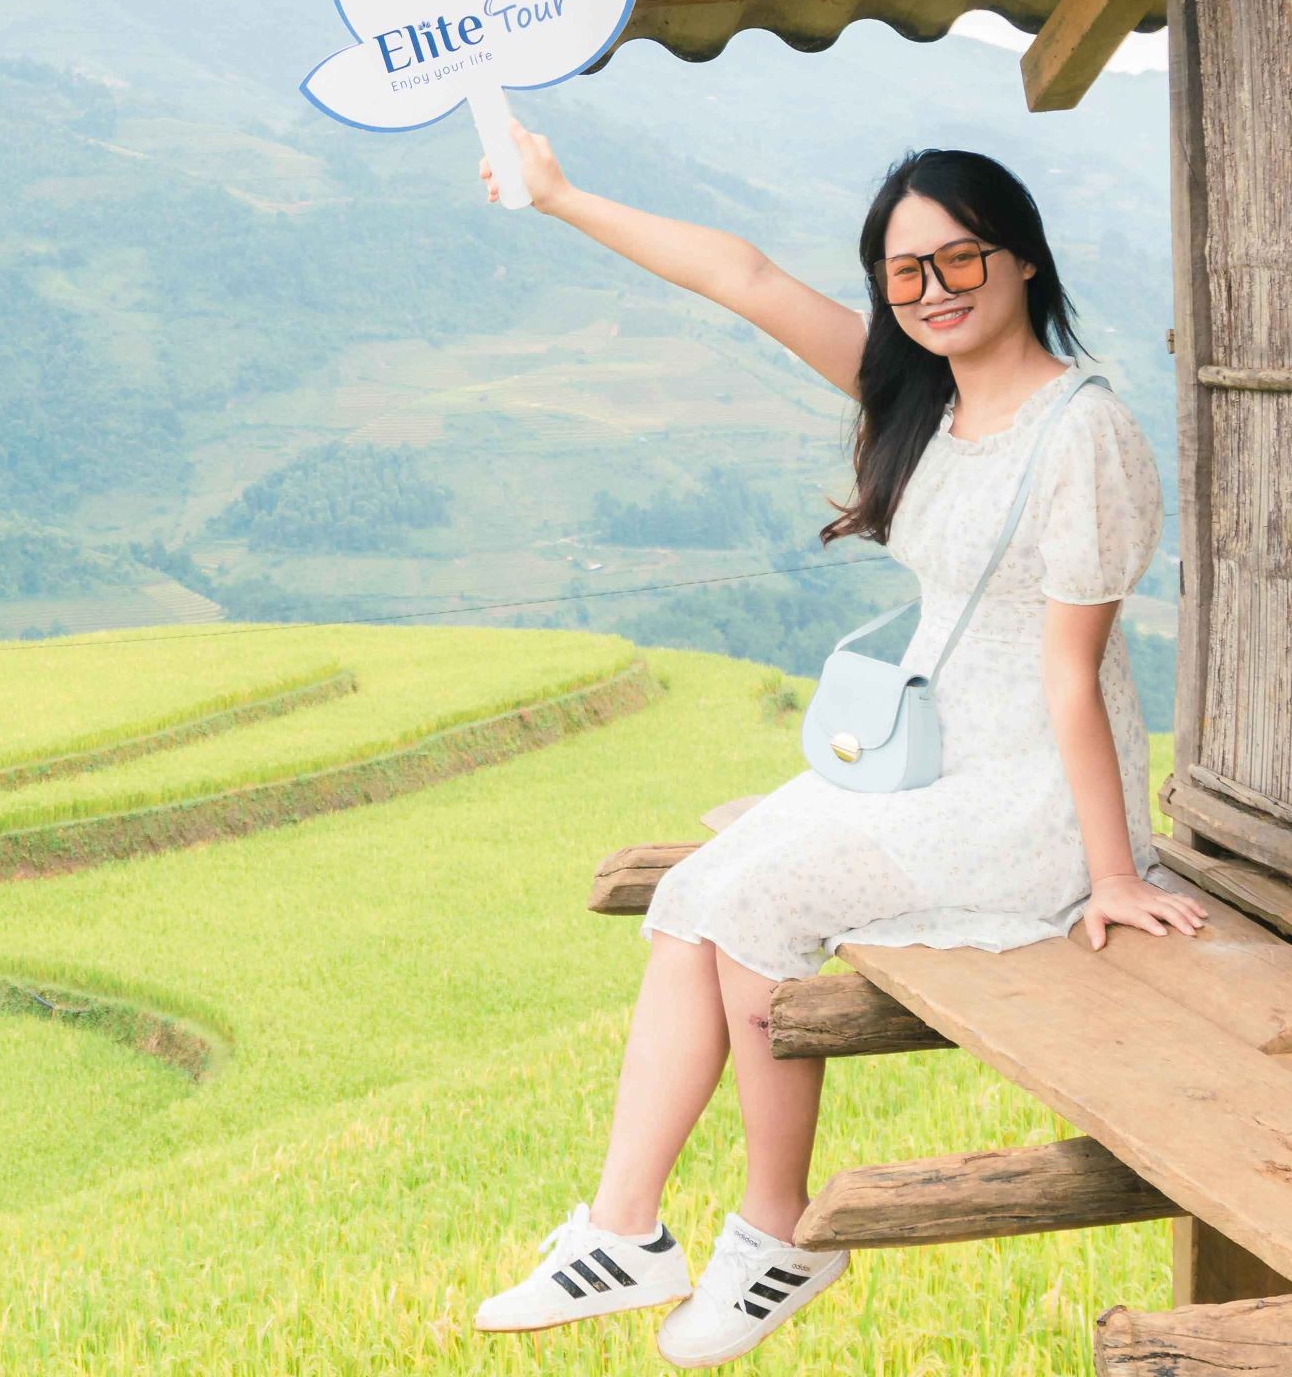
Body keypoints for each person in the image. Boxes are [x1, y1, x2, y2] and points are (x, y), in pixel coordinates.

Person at [467, 123, 1208, 1368]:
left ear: (1022, 258)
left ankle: (779, 1232)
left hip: (1028, 789)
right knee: (697, 895)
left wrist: (1117, 868)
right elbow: (744, 277)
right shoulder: (919, 398)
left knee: (759, 891)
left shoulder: (1081, 431)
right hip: (930, 757)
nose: (931, 293)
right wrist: (556, 195)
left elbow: (1073, 679)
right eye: (903, 273)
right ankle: (625, 1226)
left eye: (959, 260)